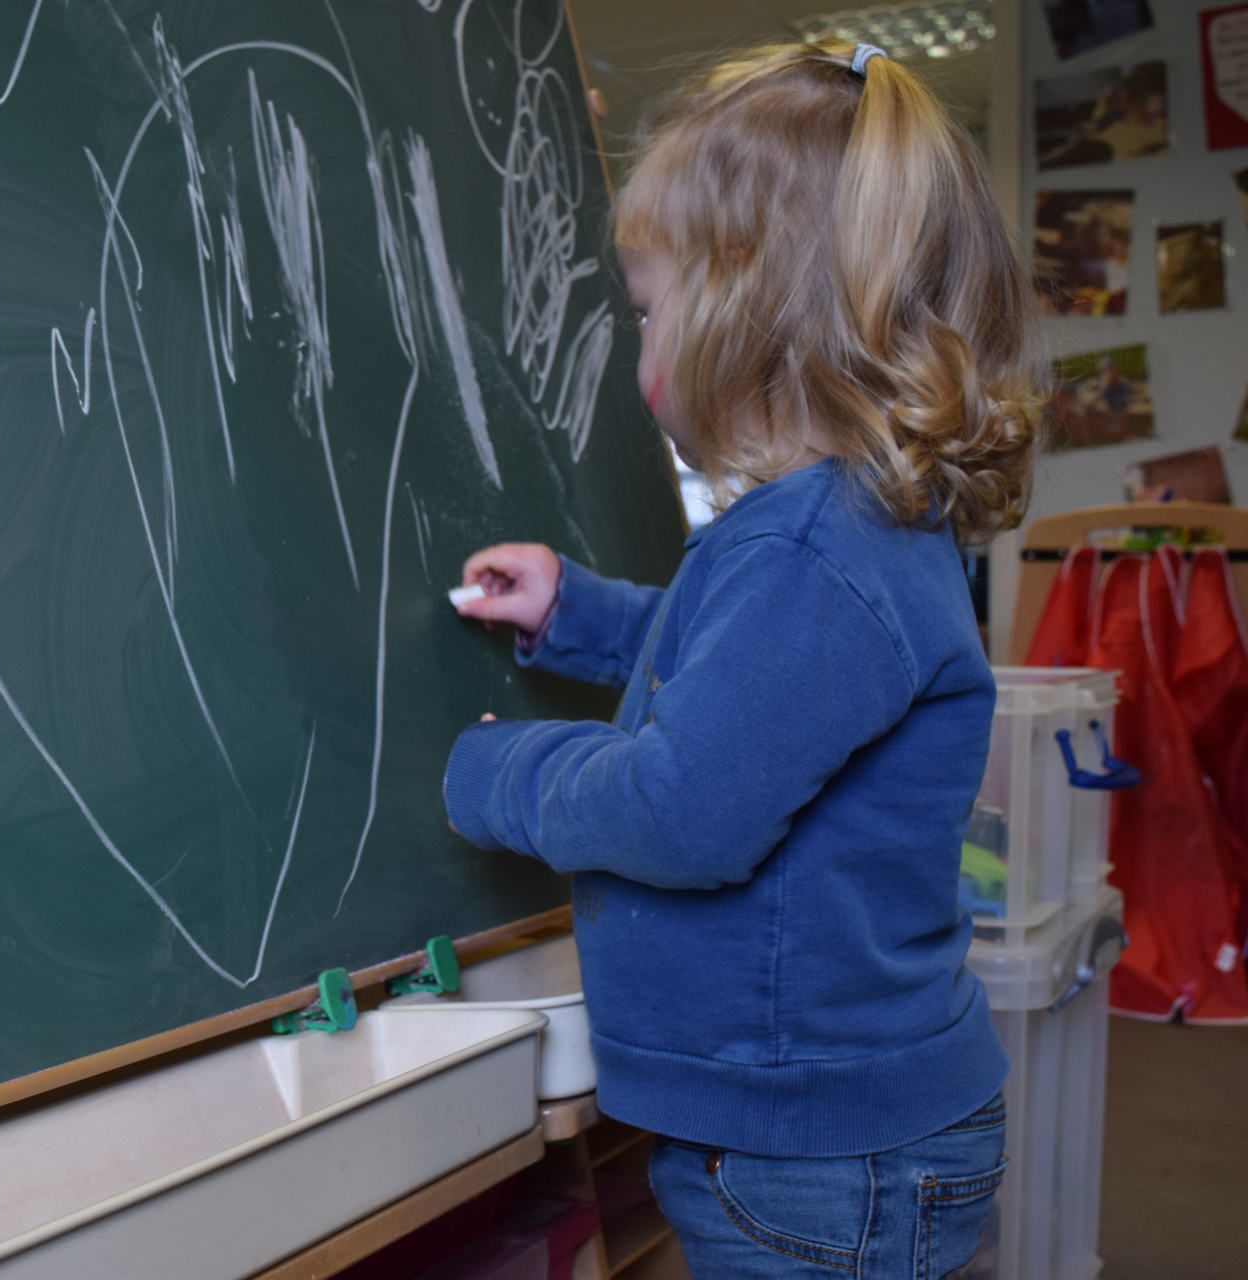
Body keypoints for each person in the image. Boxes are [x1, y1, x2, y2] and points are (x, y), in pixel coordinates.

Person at [441, 40, 1044, 1279]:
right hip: (823, 1138)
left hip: (818, 1162)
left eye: (648, 308)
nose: (638, 340)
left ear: (740, 308)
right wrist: (583, 613)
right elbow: (747, 679)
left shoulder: (821, 548)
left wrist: (499, 776)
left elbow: (684, 809)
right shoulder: (829, 533)